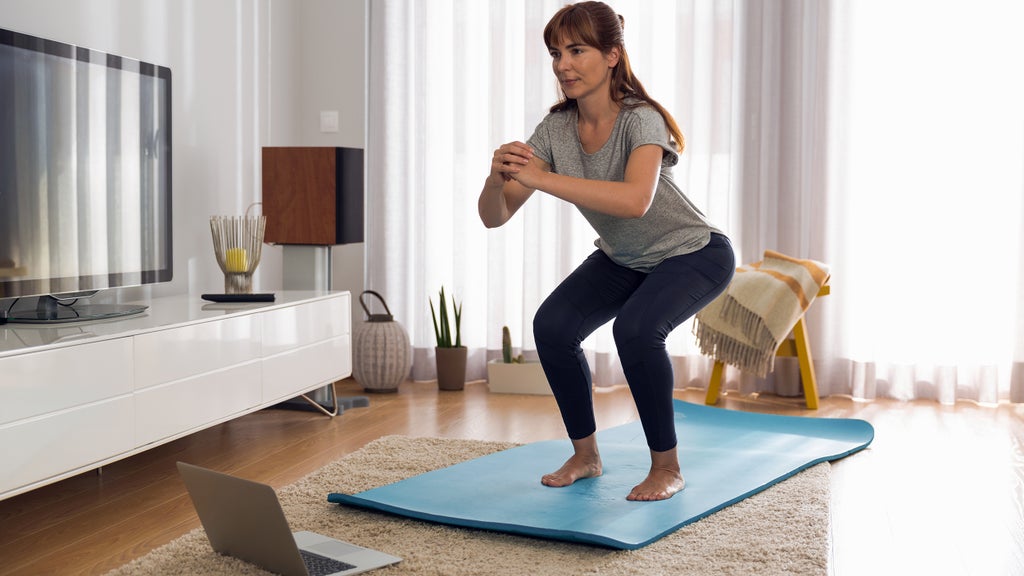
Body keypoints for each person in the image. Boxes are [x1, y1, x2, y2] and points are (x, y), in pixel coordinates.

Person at [477, 1, 735, 502]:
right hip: (625, 259)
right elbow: (495, 215)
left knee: (636, 331)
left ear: (612, 55)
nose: (562, 65)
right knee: (552, 327)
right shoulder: (555, 129)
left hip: (693, 252)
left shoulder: (643, 119)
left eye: (577, 50)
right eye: (556, 53)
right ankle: (586, 455)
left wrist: (543, 178)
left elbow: (636, 201)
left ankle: (667, 467)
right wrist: (495, 177)